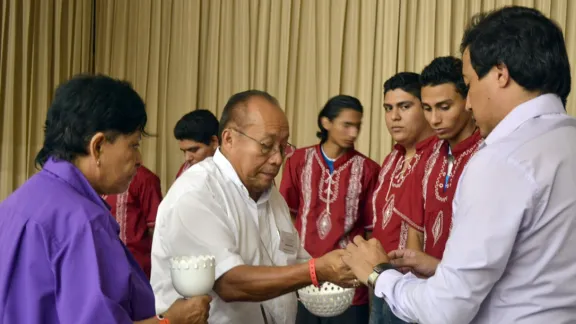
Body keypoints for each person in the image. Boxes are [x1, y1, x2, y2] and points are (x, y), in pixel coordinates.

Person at [341, 6, 576, 323]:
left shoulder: (501, 159)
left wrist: (378, 274)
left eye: (469, 83)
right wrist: (442, 269)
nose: (469, 102)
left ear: (500, 74)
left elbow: (445, 310)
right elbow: (531, 275)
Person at [0, 74, 211, 323]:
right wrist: (172, 320)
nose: (139, 158)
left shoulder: (15, 203)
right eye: (133, 145)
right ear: (97, 146)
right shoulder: (84, 222)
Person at [151, 90, 358, 324]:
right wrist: (315, 270)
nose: (278, 159)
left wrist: (347, 264)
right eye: (266, 146)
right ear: (229, 139)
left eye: (283, 147)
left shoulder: (271, 196)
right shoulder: (197, 193)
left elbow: (294, 259)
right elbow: (229, 283)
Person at [279, 95, 381, 324]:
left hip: (349, 282)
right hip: (305, 277)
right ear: (326, 123)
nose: (353, 133)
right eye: (347, 125)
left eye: (357, 126)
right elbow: (288, 214)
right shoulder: (297, 161)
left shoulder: (368, 169)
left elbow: (370, 230)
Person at [366, 73, 434, 324]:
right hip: (382, 284)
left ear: (425, 108)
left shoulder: (438, 157)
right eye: (388, 108)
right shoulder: (391, 160)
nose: (394, 117)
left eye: (405, 107)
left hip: (417, 292)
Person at [402, 56, 482, 259]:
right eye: (427, 109)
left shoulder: (487, 153)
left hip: (470, 284)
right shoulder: (425, 156)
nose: (434, 120)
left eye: (444, 107)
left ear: (468, 100)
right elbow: (415, 233)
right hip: (427, 288)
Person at [102, 164, 163, 279]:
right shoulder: (96, 178)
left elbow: (157, 230)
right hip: (104, 267)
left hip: (137, 270)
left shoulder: (144, 178)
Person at [173, 109, 219, 178]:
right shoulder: (184, 169)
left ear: (214, 142)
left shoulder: (233, 172)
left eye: (193, 150)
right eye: (184, 151)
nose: (187, 158)